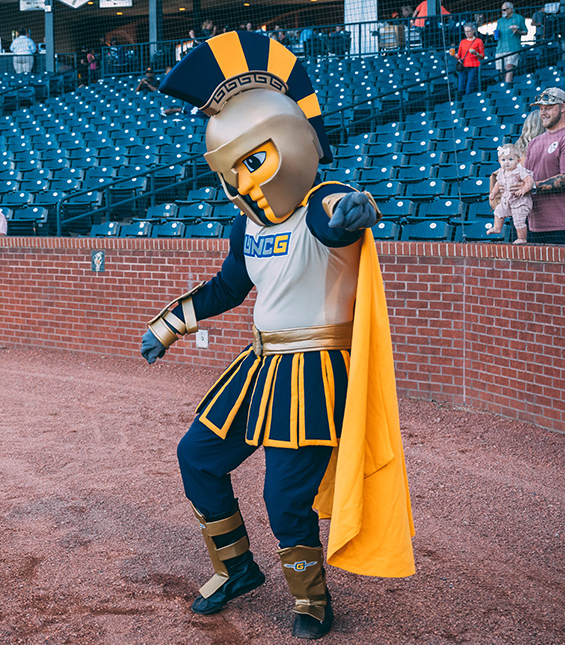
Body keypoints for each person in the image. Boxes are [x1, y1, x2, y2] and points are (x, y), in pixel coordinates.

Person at [144, 31, 414, 642]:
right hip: (261, 365)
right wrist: (168, 326)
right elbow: (226, 290)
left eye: (252, 162)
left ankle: (313, 600)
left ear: (286, 145)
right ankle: (237, 568)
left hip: (316, 372)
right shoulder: (246, 226)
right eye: (230, 171)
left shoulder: (321, 200)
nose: (242, 184)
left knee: (283, 498)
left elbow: (340, 215)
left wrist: (357, 210)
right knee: (197, 458)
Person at [524, 88, 565, 244]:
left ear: (563, 107)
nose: (543, 113)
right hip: (535, 224)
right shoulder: (534, 142)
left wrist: (532, 186)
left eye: (549, 108)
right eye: (541, 109)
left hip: (564, 225)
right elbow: (526, 176)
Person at [489, 144, 535, 243]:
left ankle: (522, 238)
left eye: (510, 160)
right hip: (507, 201)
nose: (507, 163)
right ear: (499, 161)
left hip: (520, 202)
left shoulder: (519, 171)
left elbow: (530, 181)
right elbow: (498, 183)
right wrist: (493, 193)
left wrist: (524, 189)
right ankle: (497, 227)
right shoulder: (501, 172)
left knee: (519, 220)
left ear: (518, 161)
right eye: (503, 160)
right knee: (498, 210)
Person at [495, 2, 528, 84]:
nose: (502, 11)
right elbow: (497, 32)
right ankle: (505, 85)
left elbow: (525, 32)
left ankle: (507, 87)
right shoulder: (500, 21)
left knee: (509, 67)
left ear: (510, 9)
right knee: (502, 69)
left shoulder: (519, 18)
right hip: (500, 48)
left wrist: (518, 31)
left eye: (504, 9)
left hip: (512, 47)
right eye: (502, 10)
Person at [450, 23, 484, 100]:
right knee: (461, 87)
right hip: (463, 67)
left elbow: (482, 56)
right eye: (465, 32)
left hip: (473, 66)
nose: (467, 33)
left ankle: (468, 102)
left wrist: (476, 53)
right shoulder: (462, 42)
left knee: (470, 86)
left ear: (474, 30)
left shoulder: (478, 41)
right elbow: (459, 56)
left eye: (469, 31)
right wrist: (453, 55)